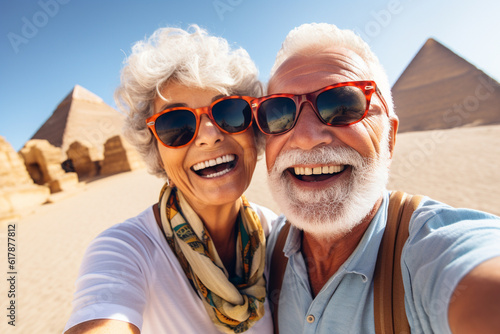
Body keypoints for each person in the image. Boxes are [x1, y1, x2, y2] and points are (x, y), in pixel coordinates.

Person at [253, 23, 500, 333]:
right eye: (278, 113)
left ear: (390, 138)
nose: (305, 137)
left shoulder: (433, 252)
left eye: (342, 106)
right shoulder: (259, 250)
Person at [63, 25, 277, 334]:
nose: (209, 136)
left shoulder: (279, 237)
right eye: (175, 124)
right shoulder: (127, 250)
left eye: (228, 112)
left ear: (252, 126)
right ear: (155, 150)